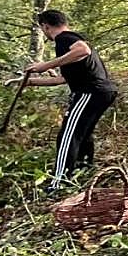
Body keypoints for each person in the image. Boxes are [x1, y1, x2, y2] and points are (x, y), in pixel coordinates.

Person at [19, 10, 118, 192]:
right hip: (102, 91)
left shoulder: (64, 38)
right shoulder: (68, 43)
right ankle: (84, 173)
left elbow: (83, 50)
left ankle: (58, 183)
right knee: (82, 134)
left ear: (45, 26)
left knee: (67, 135)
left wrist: (45, 65)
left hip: (90, 92)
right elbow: (62, 79)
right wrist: (30, 82)